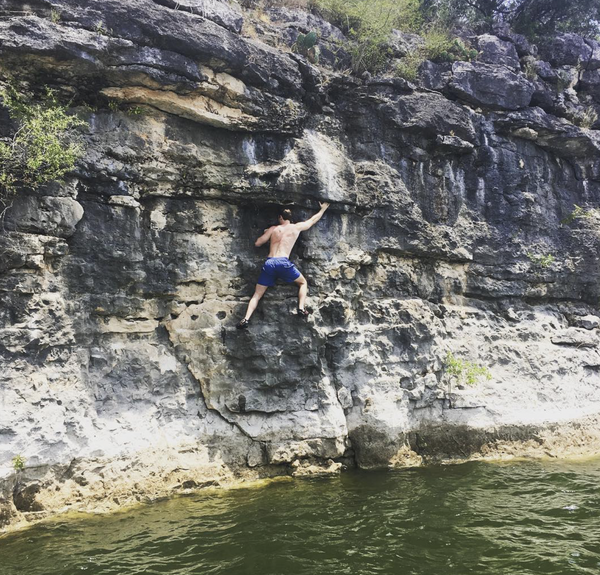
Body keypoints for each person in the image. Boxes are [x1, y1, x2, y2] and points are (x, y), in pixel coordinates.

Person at [237, 202, 330, 329]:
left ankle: (246, 318)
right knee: (303, 283)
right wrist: (323, 209)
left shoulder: (273, 229)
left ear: (280, 217)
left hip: (270, 262)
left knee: (257, 295)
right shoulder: (296, 227)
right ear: (290, 218)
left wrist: (268, 234)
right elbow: (312, 221)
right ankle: (301, 308)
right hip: (283, 262)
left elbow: (258, 243)